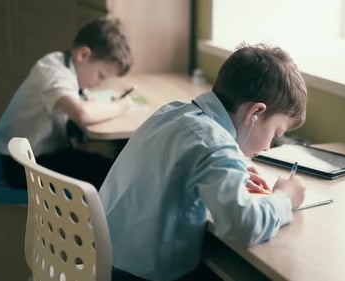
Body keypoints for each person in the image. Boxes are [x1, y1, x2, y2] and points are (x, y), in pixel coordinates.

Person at [100, 43, 308, 280]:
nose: (269, 146)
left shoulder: (171, 112)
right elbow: (242, 225)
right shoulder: (216, 145)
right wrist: (284, 197)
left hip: (103, 261)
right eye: (275, 132)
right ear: (254, 114)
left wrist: (234, 172)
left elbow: (181, 165)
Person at [0, 17, 133, 190]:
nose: (99, 84)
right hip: (20, 166)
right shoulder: (52, 72)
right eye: (101, 76)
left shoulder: (63, 65)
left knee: (110, 170)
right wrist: (121, 106)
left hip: (37, 155)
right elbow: (82, 114)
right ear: (83, 55)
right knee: (108, 176)